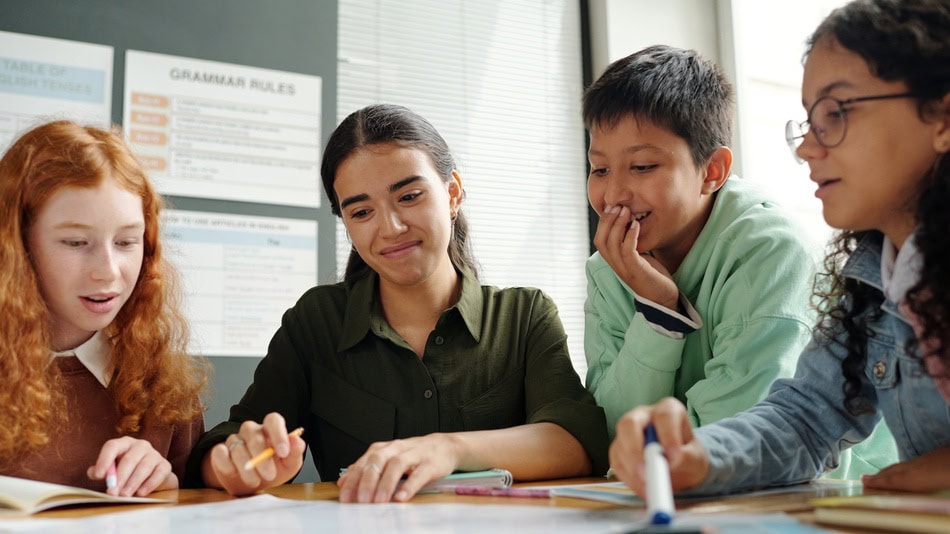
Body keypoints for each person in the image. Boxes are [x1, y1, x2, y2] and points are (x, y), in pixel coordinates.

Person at [609, 0, 950, 496]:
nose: (809, 147)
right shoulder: (873, 281)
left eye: (837, 112)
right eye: (810, 121)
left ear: (941, 116)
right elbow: (807, 418)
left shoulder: (766, 245)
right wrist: (700, 456)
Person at [185, 104, 609, 502]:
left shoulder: (524, 316)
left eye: (409, 197)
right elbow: (233, 436)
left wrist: (449, 449)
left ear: (453, 193)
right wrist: (233, 462)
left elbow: (574, 441)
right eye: (361, 212)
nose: (390, 228)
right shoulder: (317, 322)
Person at [582, 44, 896, 479]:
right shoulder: (608, 270)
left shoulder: (769, 249)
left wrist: (655, 456)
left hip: (836, 493)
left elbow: (745, 432)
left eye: (642, 166)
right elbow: (613, 435)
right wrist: (658, 314)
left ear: (712, 171)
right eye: (599, 170)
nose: (614, 194)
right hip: (681, 490)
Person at [0, 120, 207, 496]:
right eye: (77, 242)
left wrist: (167, 486)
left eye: (127, 242)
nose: (108, 272)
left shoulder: (162, 380)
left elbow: (200, 513)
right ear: (16, 246)